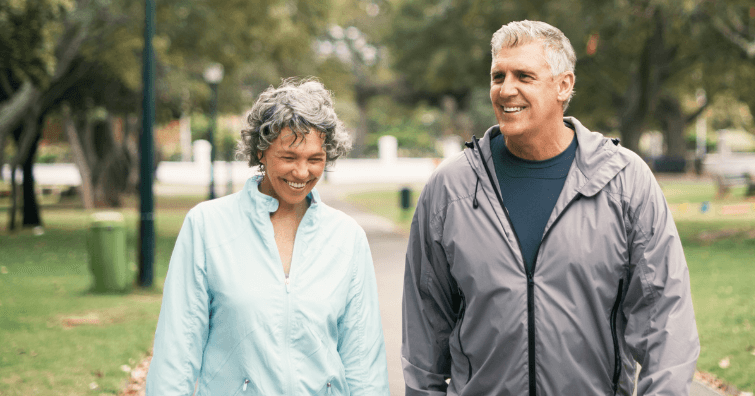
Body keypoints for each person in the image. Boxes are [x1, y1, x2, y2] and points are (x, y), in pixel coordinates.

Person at [402, 20, 699, 396]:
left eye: (524, 76)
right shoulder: (450, 189)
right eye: (498, 76)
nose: (506, 89)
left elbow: (665, 319)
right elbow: (424, 330)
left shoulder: (625, 181)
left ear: (564, 85)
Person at [146, 78, 389, 395]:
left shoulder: (347, 237)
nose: (302, 173)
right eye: (289, 157)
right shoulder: (207, 226)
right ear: (261, 152)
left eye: (315, 159)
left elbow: (363, 358)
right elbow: (177, 349)